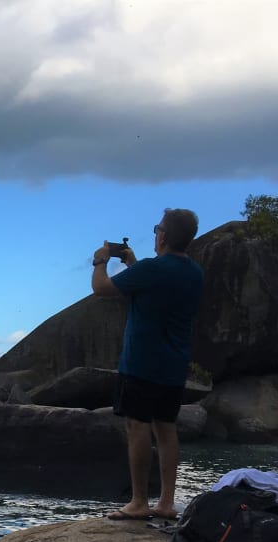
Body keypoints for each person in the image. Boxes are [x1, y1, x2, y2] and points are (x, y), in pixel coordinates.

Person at [91, 208, 204, 521]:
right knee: (166, 429)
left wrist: (100, 259)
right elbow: (156, 291)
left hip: (141, 364)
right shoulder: (194, 273)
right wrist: (133, 264)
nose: (156, 233)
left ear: (164, 236)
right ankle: (166, 503)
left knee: (137, 426)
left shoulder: (153, 269)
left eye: (157, 228)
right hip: (174, 365)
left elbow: (101, 288)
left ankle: (139, 501)